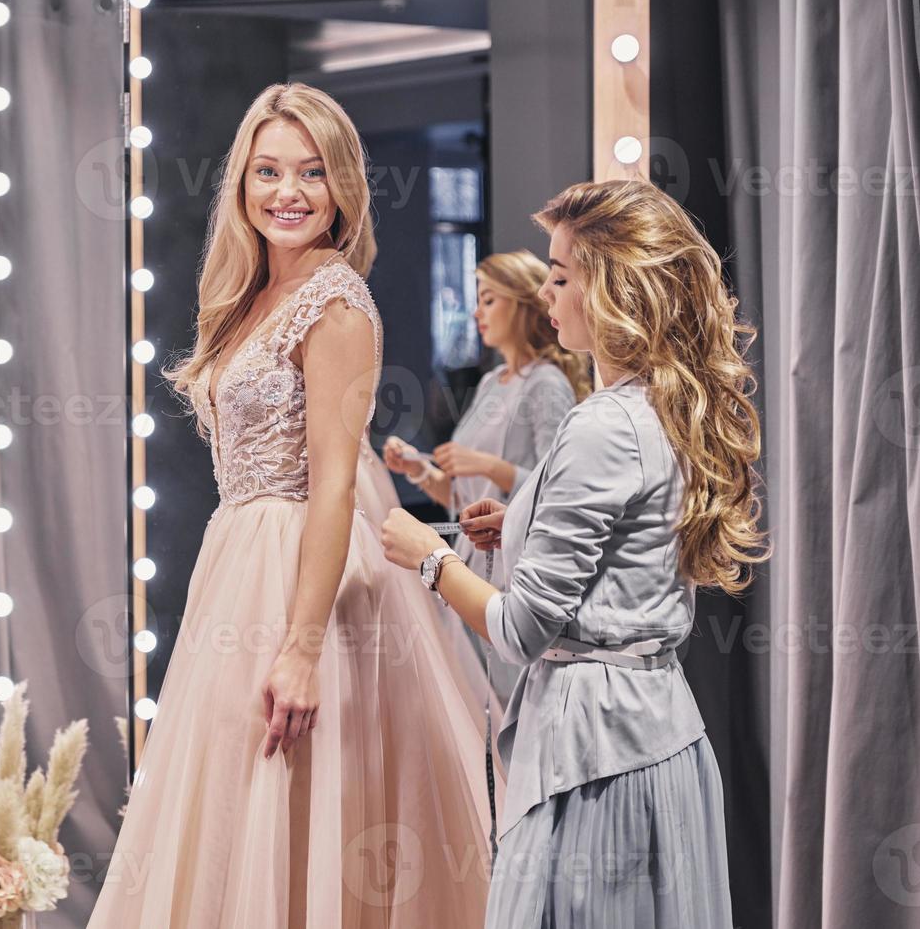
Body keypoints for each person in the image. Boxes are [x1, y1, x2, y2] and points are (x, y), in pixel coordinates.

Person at [88, 83, 493, 927]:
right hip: (237, 562)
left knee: (297, 803)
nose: (288, 193)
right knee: (236, 809)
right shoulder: (250, 297)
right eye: (267, 171)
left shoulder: (335, 303)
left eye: (311, 173)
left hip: (306, 575)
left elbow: (336, 486)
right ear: (240, 184)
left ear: (341, 185)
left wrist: (302, 650)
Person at [380, 178, 767, 926]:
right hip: (657, 729)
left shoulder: (600, 426)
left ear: (616, 291)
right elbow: (624, 546)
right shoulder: (662, 406)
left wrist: (431, 557)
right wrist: (519, 521)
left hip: (594, 758)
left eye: (560, 277)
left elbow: (524, 631)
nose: (545, 293)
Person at [379, 250, 588, 702]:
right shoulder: (494, 381)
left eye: (489, 300)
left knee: (498, 703)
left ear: (523, 303)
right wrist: (421, 471)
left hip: (509, 570)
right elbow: (464, 501)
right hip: (467, 565)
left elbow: (559, 490)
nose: (477, 312)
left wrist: (486, 465)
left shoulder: (546, 384)